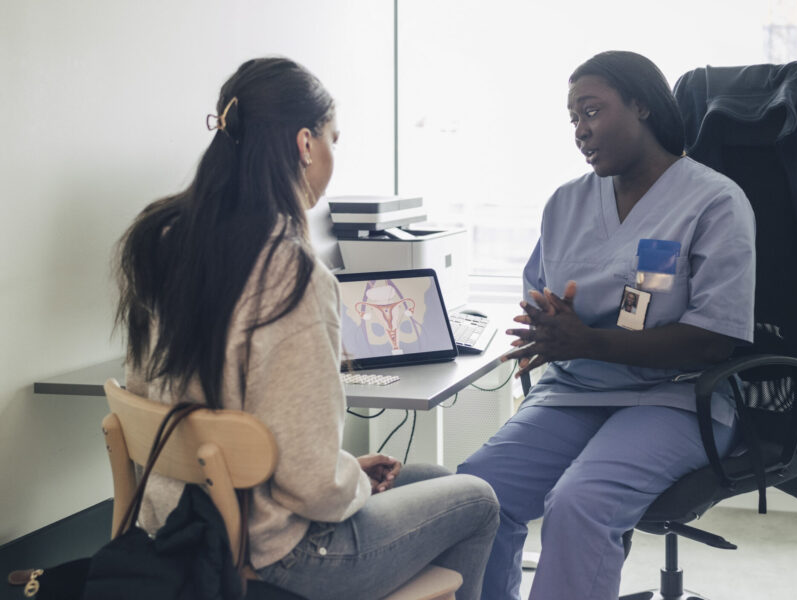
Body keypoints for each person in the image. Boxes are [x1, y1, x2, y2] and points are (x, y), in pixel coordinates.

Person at [115, 57, 499, 600]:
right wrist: (344, 478)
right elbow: (313, 486)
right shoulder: (290, 272)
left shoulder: (164, 237)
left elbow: (229, 419)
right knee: (477, 499)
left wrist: (347, 471)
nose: (332, 157)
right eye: (333, 140)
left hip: (180, 522)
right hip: (281, 553)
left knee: (435, 479)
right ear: (305, 145)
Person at [456, 51, 756, 599]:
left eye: (591, 111)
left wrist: (588, 339)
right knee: (476, 492)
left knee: (580, 503)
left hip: (677, 399)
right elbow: (541, 296)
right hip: (575, 390)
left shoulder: (713, 201)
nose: (580, 130)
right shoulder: (566, 203)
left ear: (641, 104)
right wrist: (547, 328)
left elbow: (716, 339)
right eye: (573, 119)